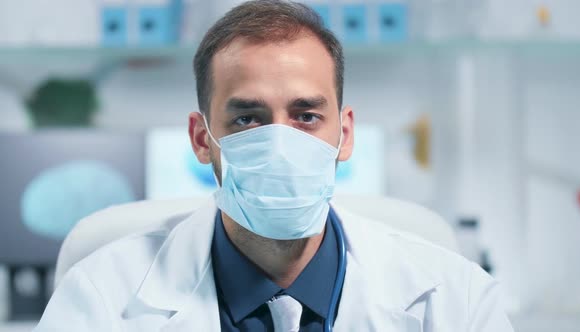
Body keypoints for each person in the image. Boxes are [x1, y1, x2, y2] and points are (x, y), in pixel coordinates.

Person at [35, 1, 514, 331]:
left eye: (306, 116)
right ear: (203, 139)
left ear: (344, 135)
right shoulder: (100, 300)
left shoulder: (459, 302)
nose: (281, 143)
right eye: (248, 118)